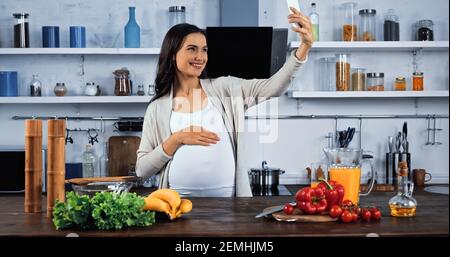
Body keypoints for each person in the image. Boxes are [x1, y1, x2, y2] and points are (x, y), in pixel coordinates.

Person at [136, 7, 313, 197]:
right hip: (176, 205)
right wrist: (177, 139)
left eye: (204, 50)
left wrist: (304, 47)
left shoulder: (226, 89)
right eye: (191, 49)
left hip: (230, 205)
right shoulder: (157, 108)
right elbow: (142, 170)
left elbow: (272, 87)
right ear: (172, 54)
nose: (200, 57)